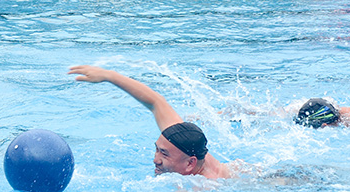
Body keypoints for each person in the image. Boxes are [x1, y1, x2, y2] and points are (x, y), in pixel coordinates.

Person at [69, 65, 233, 179]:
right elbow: (156, 102)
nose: (155, 159)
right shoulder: (183, 145)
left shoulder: (205, 186)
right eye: (157, 150)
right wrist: (109, 76)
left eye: (164, 154)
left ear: (191, 163)